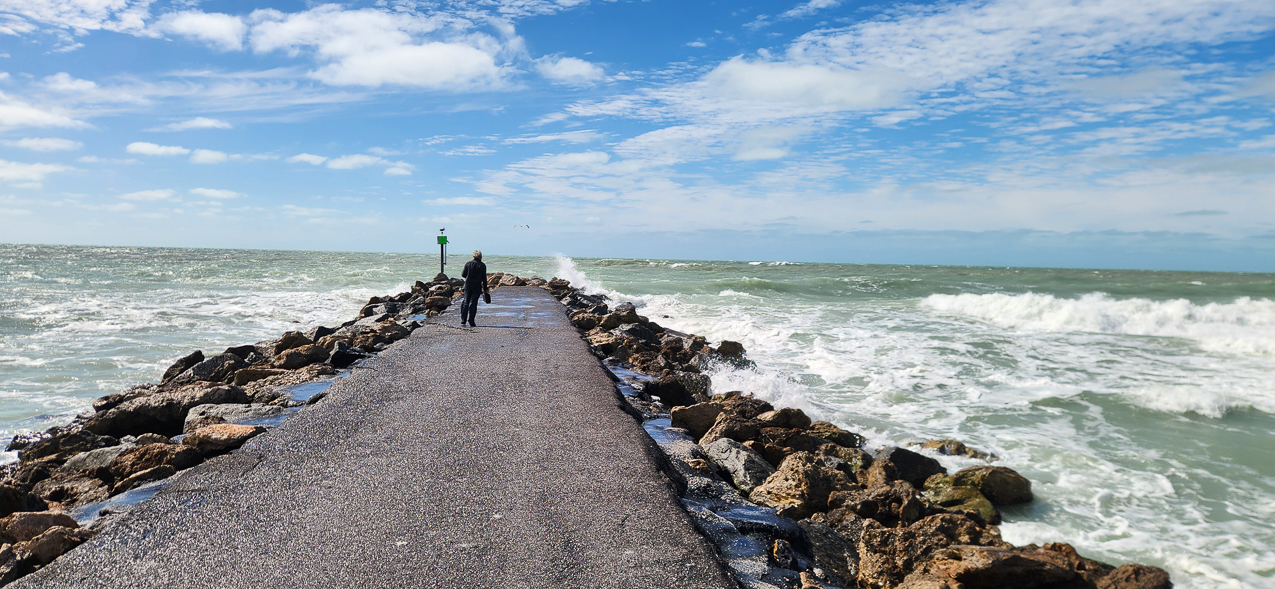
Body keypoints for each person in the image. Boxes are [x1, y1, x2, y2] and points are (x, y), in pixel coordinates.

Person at [459, 250, 489, 327]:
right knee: (473, 303)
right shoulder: (482, 265)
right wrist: (485, 289)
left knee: (466, 301)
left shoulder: (468, 264)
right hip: (477, 286)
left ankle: (463, 320)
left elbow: (463, 274)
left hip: (467, 285)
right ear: (480, 257)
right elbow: (484, 278)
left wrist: (469, 276)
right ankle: (471, 321)